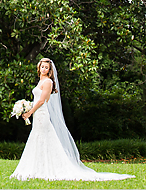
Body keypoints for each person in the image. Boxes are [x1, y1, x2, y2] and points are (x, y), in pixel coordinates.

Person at [8, 58, 136, 181]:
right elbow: (37, 99)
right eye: (42, 66)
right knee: (37, 138)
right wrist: (26, 106)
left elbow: (42, 100)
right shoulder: (40, 81)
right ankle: (37, 167)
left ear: (49, 70)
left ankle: (49, 168)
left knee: (42, 137)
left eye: (46, 67)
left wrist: (30, 112)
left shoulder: (48, 82)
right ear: (39, 67)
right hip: (37, 114)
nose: (44, 69)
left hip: (42, 115)